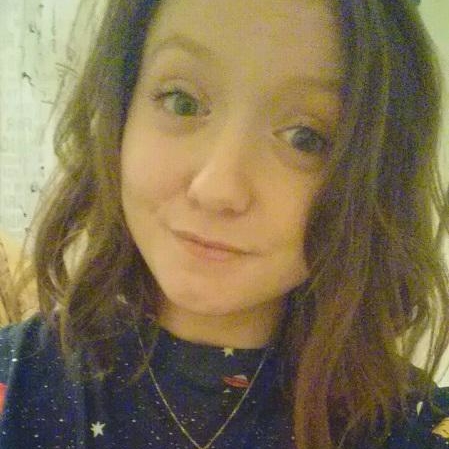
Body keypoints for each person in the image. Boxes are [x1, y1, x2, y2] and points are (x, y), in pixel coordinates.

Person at [0, 0, 448, 447]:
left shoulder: (406, 426)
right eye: (182, 102)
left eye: (305, 138)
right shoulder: (15, 388)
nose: (217, 189)